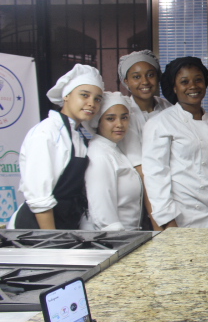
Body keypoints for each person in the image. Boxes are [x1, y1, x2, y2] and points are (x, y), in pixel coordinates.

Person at [10, 64, 104, 229]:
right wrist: (52, 238)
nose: (91, 103)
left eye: (97, 99)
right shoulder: (46, 132)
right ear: (66, 95)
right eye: (84, 95)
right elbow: (39, 196)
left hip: (65, 223)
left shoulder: (78, 135)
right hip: (37, 228)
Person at [142, 57, 208, 228]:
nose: (193, 86)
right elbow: (156, 175)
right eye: (184, 82)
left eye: (198, 80)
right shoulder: (160, 123)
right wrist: (168, 221)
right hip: (180, 218)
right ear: (174, 87)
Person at [116, 50, 173, 230]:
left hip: (170, 187)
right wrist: (158, 223)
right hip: (141, 196)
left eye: (150, 75)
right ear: (126, 81)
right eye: (136, 77)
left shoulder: (167, 107)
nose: (145, 82)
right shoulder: (124, 113)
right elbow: (143, 172)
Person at [80, 92, 143, 231]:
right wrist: (118, 240)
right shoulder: (99, 155)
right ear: (97, 121)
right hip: (111, 237)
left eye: (124, 118)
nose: (119, 124)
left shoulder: (115, 149)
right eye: (110, 118)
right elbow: (103, 215)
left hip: (126, 235)